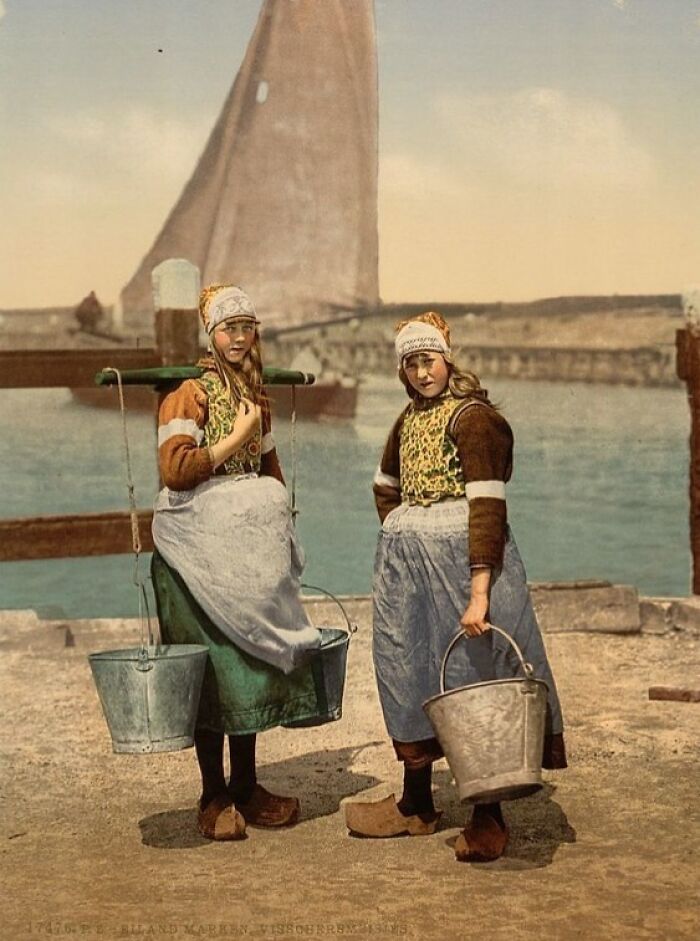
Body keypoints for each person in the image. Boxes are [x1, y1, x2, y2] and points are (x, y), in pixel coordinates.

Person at [344, 311, 567, 862]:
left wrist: (480, 592)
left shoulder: (474, 420)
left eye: (429, 360)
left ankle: (489, 813)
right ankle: (417, 804)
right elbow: (385, 486)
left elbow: (488, 508)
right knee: (407, 670)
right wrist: (404, 538)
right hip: (410, 574)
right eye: (411, 363)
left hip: (469, 566)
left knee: (477, 676)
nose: (422, 373)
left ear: (449, 358)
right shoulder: (406, 420)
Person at [151, 283, 323, 841]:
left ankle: (247, 784)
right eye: (229, 328)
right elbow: (175, 470)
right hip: (195, 554)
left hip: (245, 554)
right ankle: (212, 792)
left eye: (247, 328)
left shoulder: (256, 396)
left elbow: (268, 465)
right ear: (211, 333)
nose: (239, 338)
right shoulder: (188, 396)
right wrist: (235, 438)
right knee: (211, 669)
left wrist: (281, 534)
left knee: (249, 663)